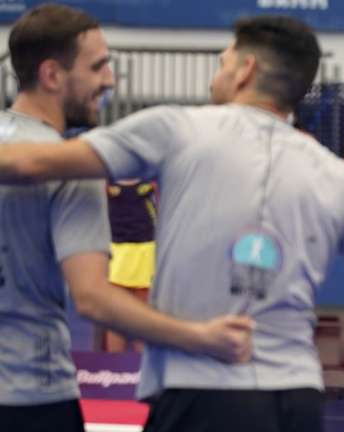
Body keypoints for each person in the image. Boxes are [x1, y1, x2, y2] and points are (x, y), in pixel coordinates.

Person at [0, 14, 344, 432]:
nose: (213, 77)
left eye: (221, 63)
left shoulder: (175, 128)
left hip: (197, 392)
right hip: (298, 396)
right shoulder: (339, 175)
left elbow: (33, 161)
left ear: (246, 70)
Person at [0, 5, 253, 432]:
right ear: (51, 75)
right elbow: (94, 299)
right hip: (30, 397)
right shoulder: (71, 170)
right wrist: (200, 336)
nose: (110, 81)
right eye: (99, 67)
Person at [104, 179, 158, 352]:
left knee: (141, 311)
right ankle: (113, 370)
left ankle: (140, 369)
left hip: (146, 247)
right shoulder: (106, 176)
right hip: (116, 248)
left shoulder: (150, 175)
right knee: (115, 313)